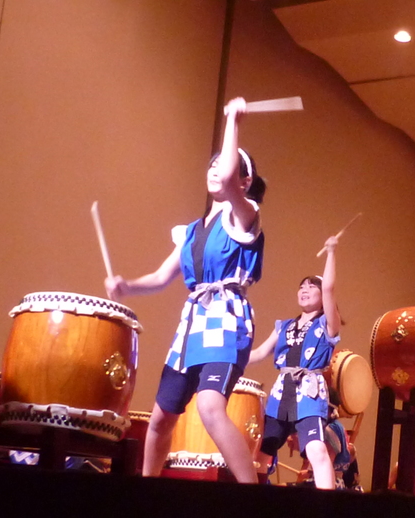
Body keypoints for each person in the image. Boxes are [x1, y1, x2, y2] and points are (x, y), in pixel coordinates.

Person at [105, 97, 266, 483]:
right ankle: (148, 487)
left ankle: (253, 494)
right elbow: (162, 278)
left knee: (211, 407)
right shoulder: (191, 232)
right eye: (211, 165)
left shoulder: (244, 218)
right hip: (190, 327)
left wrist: (233, 122)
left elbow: (228, 182)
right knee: (161, 418)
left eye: (224, 167)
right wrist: (126, 286)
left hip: (226, 323)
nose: (216, 171)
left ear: (244, 182)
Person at [249, 236, 342, 489]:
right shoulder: (284, 326)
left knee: (316, 451)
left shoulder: (327, 325)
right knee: (261, 453)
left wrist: (331, 251)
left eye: (312, 287)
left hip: (309, 393)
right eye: (301, 286)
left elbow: (330, 289)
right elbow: (258, 354)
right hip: (281, 394)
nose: (304, 289)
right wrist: (229, 360)